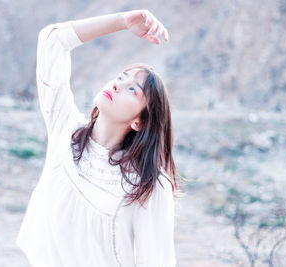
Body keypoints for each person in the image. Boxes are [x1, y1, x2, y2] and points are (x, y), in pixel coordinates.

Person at [16, 9, 183, 267]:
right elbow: (52, 41)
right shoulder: (65, 129)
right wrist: (122, 21)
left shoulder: (149, 186)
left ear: (140, 120)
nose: (116, 85)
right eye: (120, 77)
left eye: (132, 89)